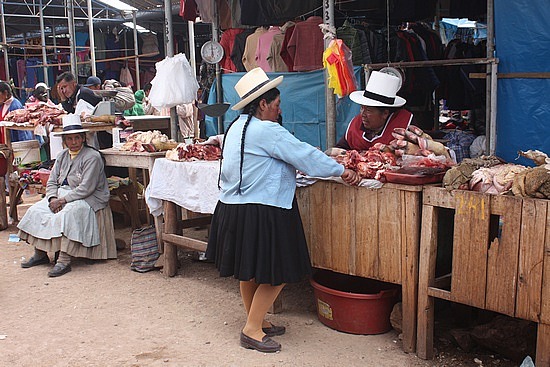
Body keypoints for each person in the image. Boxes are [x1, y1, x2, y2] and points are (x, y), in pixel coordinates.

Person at [205, 68, 360, 353]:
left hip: (234, 207)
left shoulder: (237, 126)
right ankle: (252, 329)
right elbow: (305, 156)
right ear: (262, 104)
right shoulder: (267, 130)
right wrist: (341, 170)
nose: (279, 111)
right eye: (276, 105)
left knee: (249, 271)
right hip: (263, 209)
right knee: (280, 271)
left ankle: (257, 320)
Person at [17, 114, 117, 277]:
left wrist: (62, 201)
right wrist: (52, 198)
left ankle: (64, 260)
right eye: (69, 139)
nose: (73, 142)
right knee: (35, 211)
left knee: (67, 215)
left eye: (77, 138)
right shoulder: (63, 155)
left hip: (89, 198)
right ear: (64, 140)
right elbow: (52, 181)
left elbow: (86, 188)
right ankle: (40, 254)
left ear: (83, 138)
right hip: (61, 195)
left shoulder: (92, 157)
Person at [334, 71, 414, 151]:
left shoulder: (404, 124)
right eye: (362, 108)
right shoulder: (356, 125)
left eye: (368, 110)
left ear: (385, 114)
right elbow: (340, 149)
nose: (363, 114)